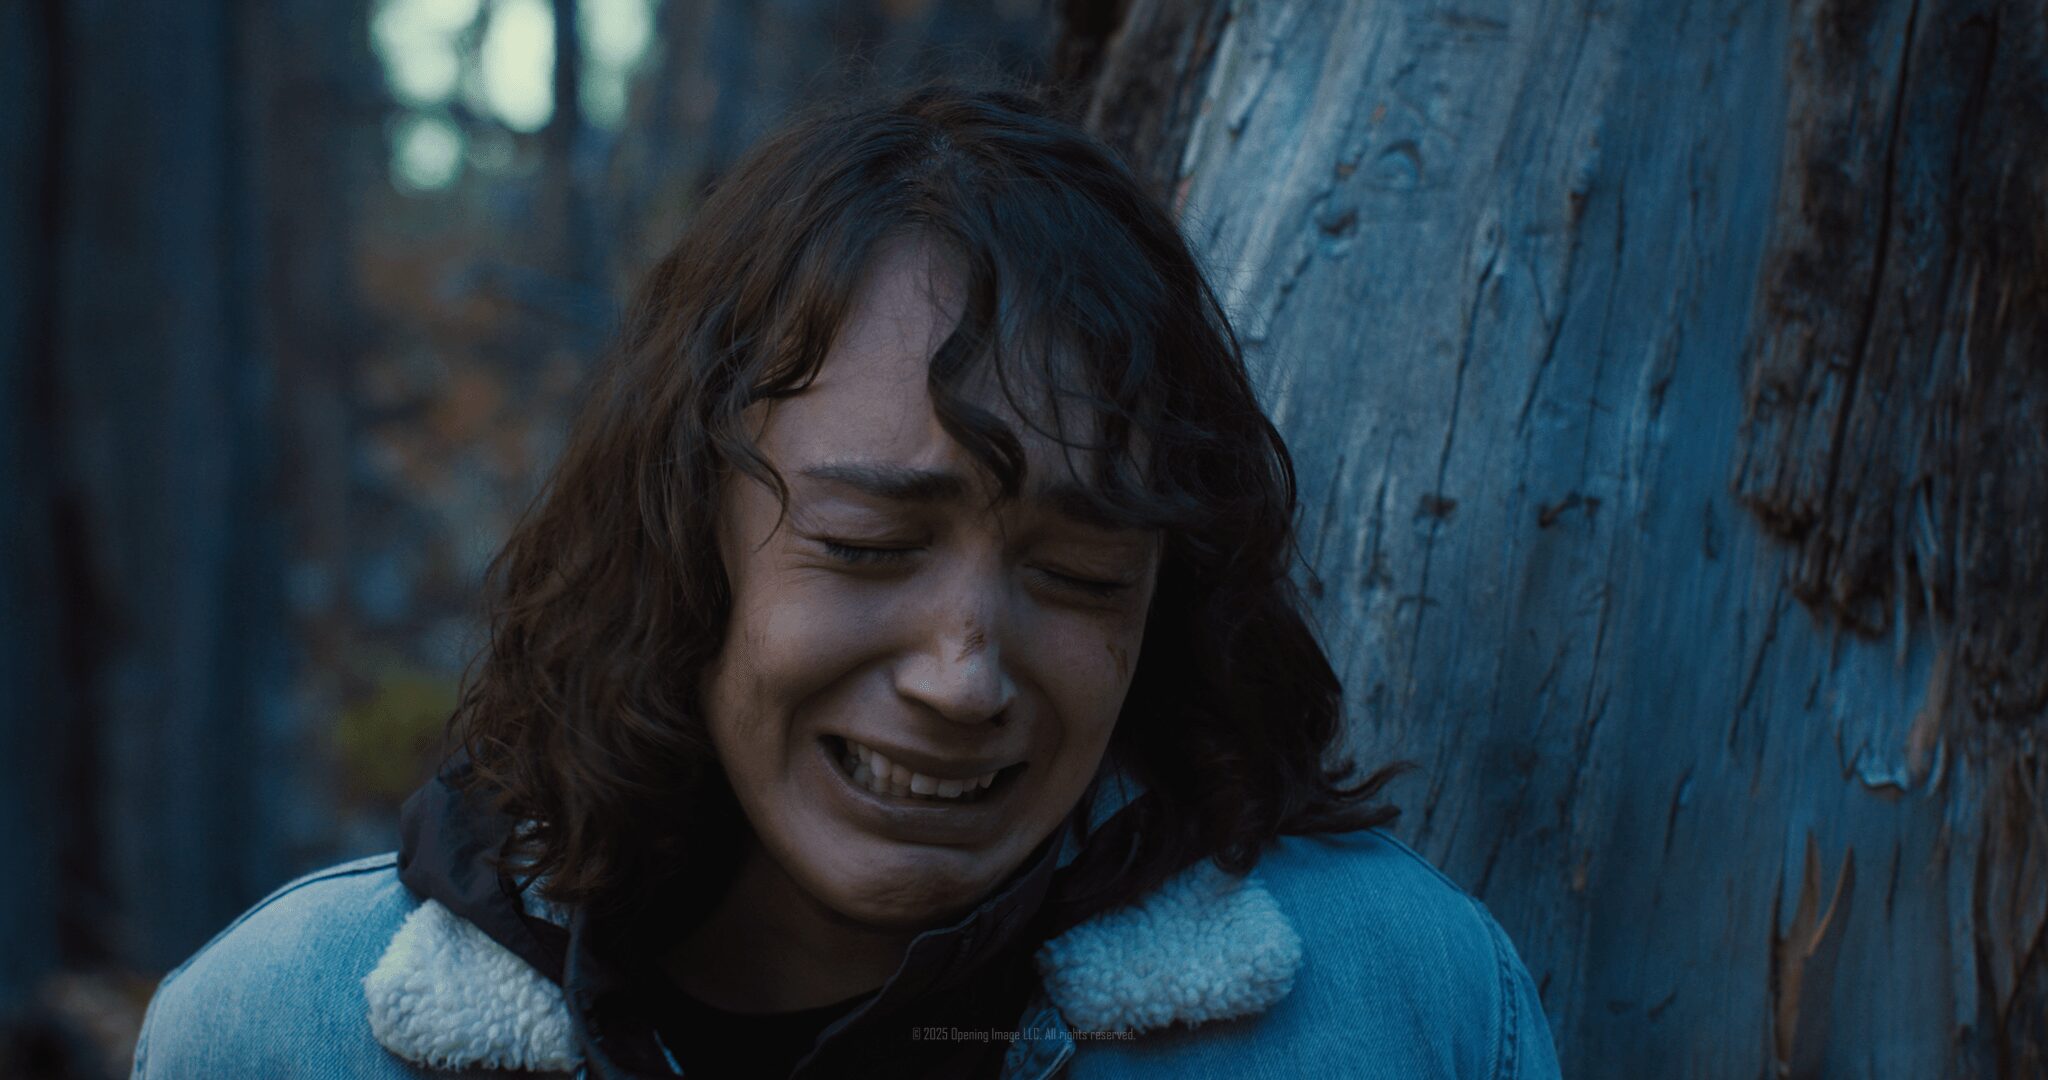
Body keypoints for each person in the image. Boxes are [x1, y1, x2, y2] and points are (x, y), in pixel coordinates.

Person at [131, 83, 1561, 1079]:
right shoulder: (284, 1034)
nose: (965, 675)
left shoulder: (1399, 1008)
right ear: (686, 543)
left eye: (1077, 574)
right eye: (869, 547)